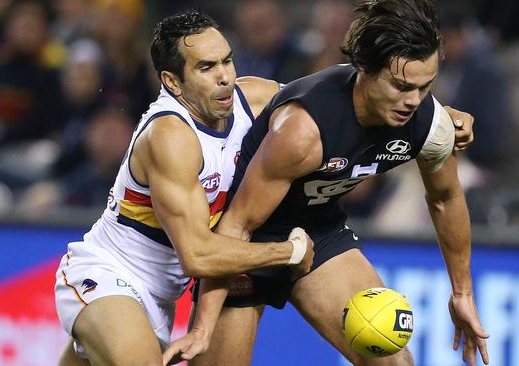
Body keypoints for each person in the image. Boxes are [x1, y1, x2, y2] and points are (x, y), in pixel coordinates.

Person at [166, 1, 489, 366]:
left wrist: (462, 292)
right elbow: (239, 224)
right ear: (364, 69)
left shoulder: (430, 125)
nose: (413, 101)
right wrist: (204, 328)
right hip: (246, 240)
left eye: (424, 87)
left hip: (317, 230)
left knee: (393, 361)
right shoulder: (303, 132)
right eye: (401, 86)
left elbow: (445, 198)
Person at [54, 12, 315, 366]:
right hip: (109, 272)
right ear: (172, 82)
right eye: (206, 68)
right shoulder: (169, 136)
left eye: (227, 60)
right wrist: (289, 252)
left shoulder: (254, 98)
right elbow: (198, 256)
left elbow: (322, 105)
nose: (225, 77)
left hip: (159, 299)